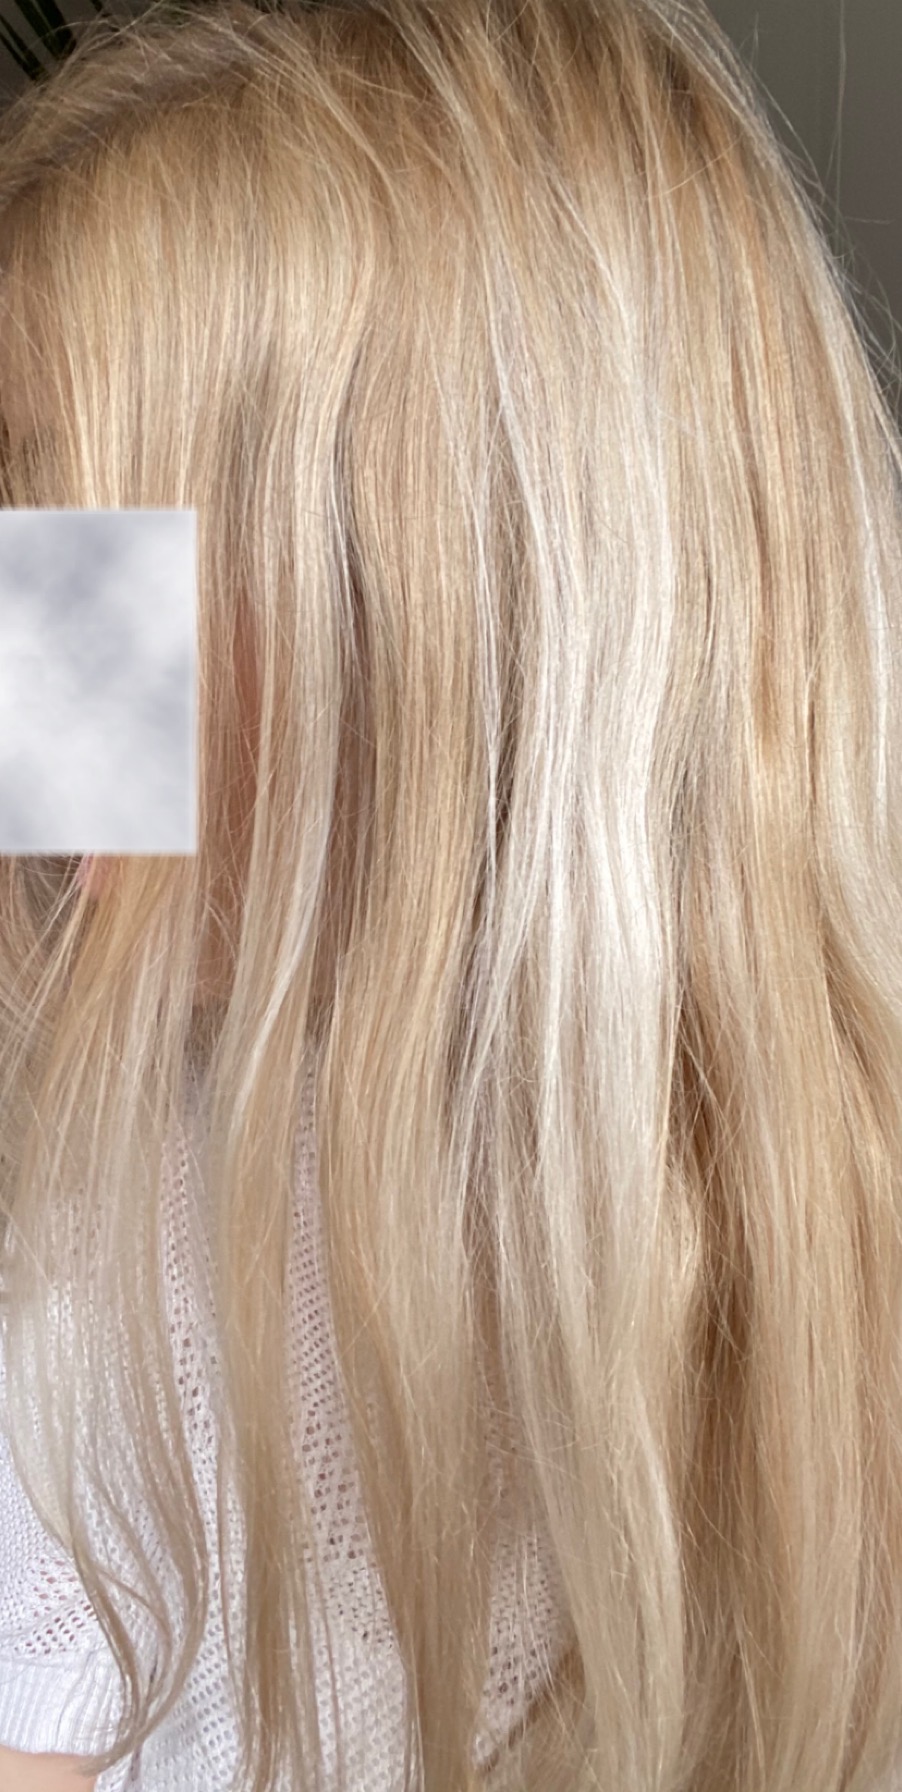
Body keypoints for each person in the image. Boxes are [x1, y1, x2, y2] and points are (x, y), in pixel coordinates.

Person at [2, 0, 902, 1788]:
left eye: (85, 535)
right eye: (29, 536)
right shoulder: (116, 1254)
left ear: (464, 624)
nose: (37, 651)